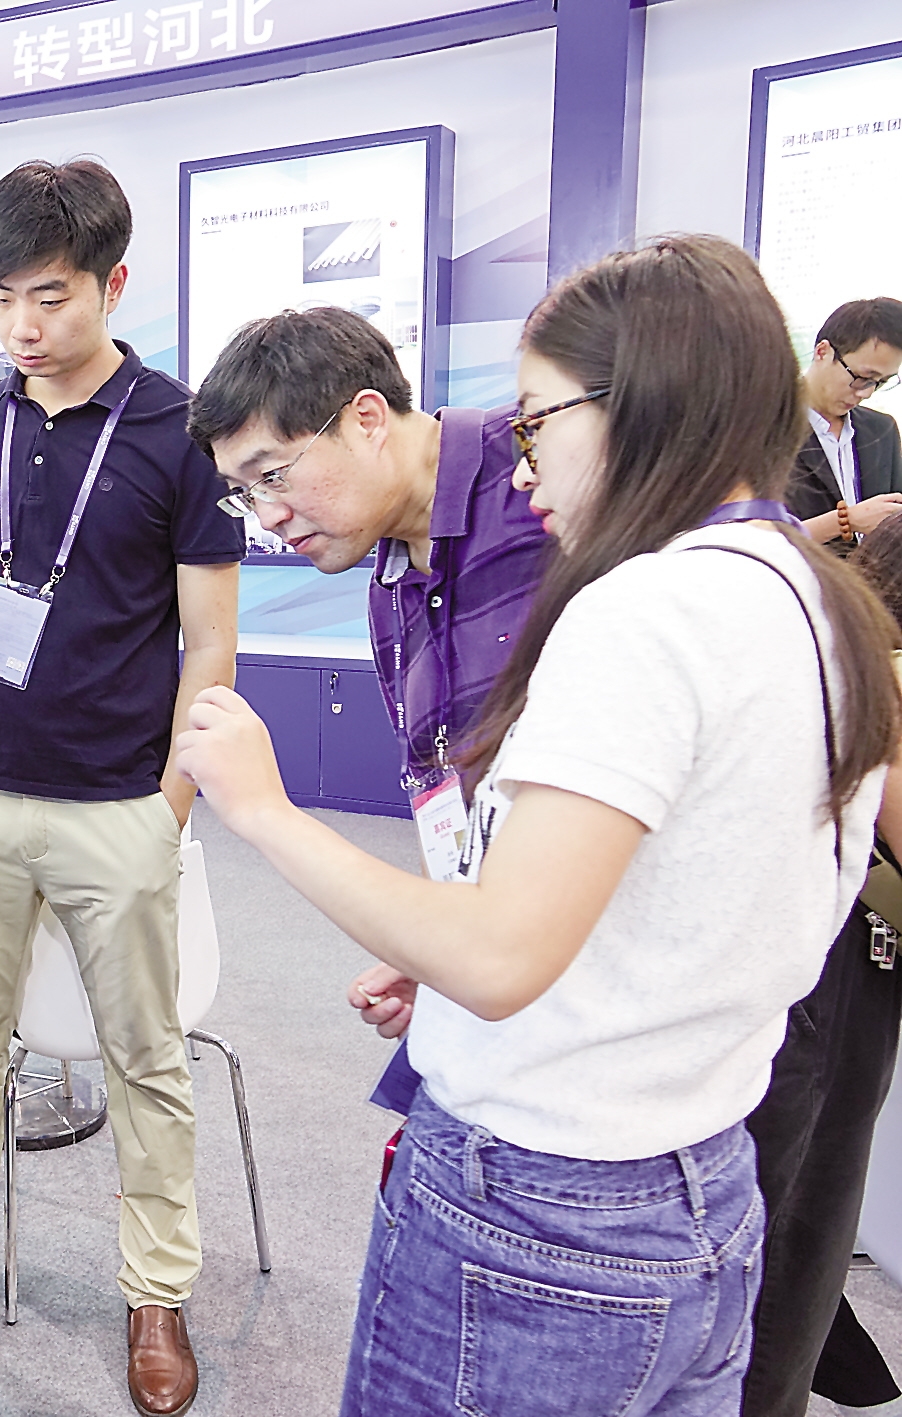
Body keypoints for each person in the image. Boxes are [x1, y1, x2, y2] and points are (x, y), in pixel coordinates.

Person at [176, 234, 902, 1415]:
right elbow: (648, 881)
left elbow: (505, 956)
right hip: (695, 1170)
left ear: (641, 403)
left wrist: (260, 808)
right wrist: (451, 929)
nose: (523, 467)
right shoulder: (806, 594)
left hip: (542, 1194)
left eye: (534, 421)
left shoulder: (632, 602)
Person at [0, 158, 242, 1416]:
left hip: (114, 806)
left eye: (47, 297)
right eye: (0, 299)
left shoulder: (179, 429)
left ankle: (155, 1291)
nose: (20, 327)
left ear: (111, 283)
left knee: (146, 1061)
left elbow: (209, 643)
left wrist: (167, 810)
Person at [186, 307, 553, 1103]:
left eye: (274, 475)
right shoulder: (387, 584)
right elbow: (443, 787)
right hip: (497, 1013)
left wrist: (265, 810)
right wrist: (431, 936)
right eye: (244, 495)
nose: (269, 517)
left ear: (366, 418)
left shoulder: (547, 481)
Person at [738, 511, 902, 1416]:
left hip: (807, 958)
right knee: (798, 1234)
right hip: (835, 972)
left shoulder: (831, 651)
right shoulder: (878, 677)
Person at [784, 297, 902, 553]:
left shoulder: (882, 430)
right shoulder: (763, 430)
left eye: (881, 382)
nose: (866, 393)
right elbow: (743, 537)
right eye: (862, 377)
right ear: (822, 352)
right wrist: (843, 521)